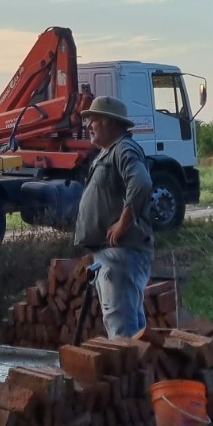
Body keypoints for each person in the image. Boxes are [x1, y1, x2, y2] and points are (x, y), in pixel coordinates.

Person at [73, 95, 153, 338]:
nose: (88, 126)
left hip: (122, 253)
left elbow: (141, 184)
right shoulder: (109, 152)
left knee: (122, 331)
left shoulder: (123, 149)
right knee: (131, 328)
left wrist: (122, 224)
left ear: (110, 122)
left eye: (93, 119)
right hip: (114, 255)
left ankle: (128, 374)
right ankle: (138, 373)